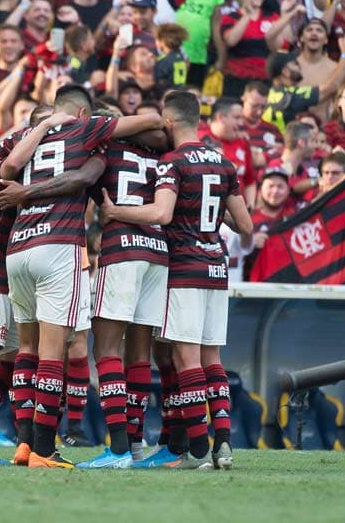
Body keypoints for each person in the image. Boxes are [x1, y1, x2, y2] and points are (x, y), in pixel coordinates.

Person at [0, 84, 162, 468]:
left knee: (26, 351)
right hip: (58, 244)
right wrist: (111, 122)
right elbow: (153, 120)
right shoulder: (87, 129)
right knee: (54, 354)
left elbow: (2, 165)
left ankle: (24, 443)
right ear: (85, 114)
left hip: (18, 247)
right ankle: (45, 451)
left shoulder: (31, 135)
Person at [101, 91, 253, 470]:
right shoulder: (224, 162)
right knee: (212, 357)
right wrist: (214, 212)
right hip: (217, 266)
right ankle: (223, 444)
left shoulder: (173, 162)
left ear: (168, 122)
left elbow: (163, 213)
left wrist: (114, 210)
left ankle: (197, 451)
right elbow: (246, 226)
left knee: (185, 357)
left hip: (185, 267)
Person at [0, 130, 108, 466]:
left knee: (15, 358)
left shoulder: (33, 171)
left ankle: (21, 442)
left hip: (15, 275)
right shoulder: (11, 172)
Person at [76, 128, 170, 468]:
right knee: (139, 355)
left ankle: (117, 451)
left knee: (106, 348)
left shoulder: (109, 150)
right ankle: (135, 446)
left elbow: (82, 183)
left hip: (123, 249)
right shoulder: (162, 158)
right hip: (159, 253)